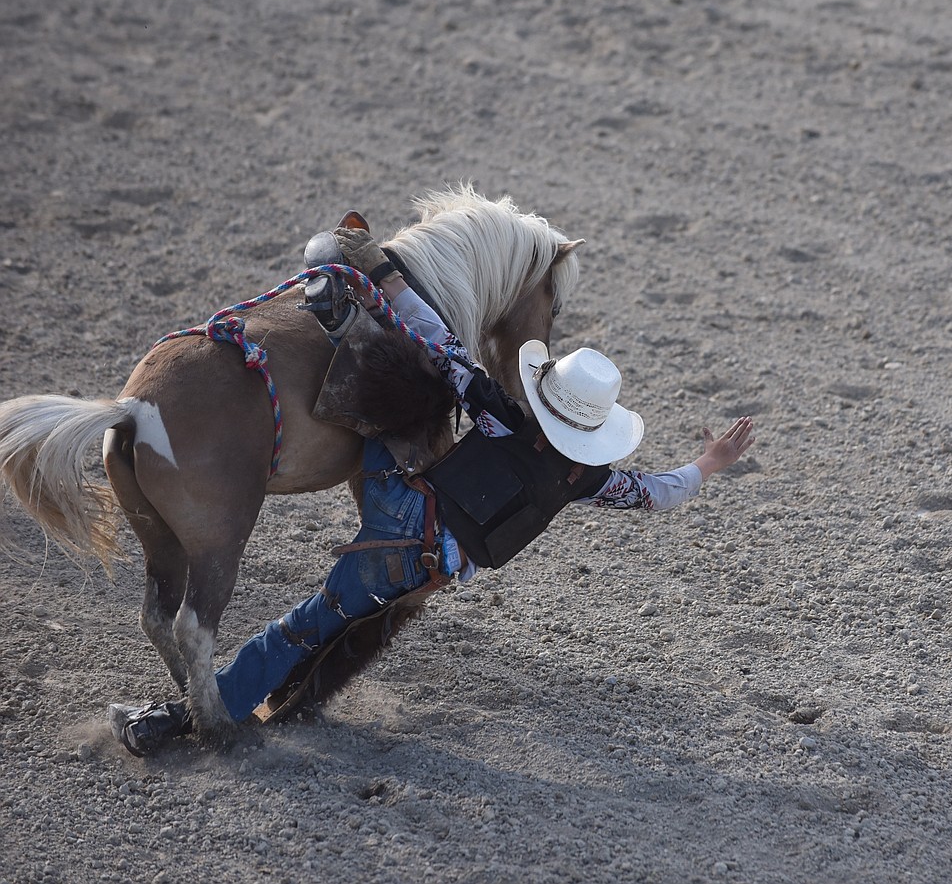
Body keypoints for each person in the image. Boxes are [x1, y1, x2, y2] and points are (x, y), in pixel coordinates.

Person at [108, 225, 755, 757]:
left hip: (399, 513)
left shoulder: (507, 417)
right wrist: (710, 461)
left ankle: (177, 717)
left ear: (546, 394)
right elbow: (656, 492)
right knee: (305, 626)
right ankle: (213, 709)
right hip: (429, 566)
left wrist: (385, 284)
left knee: (399, 387)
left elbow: (446, 352)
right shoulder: (586, 478)